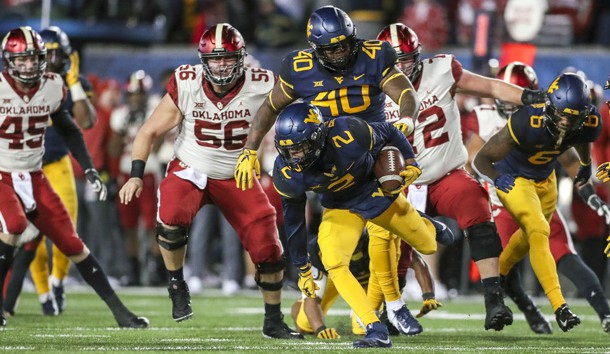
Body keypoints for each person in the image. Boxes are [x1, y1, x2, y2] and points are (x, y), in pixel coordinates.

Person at [233, 5, 427, 335]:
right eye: (329, 48)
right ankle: (357, 297)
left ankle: (394, 305)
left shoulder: (375, 54)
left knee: (384, 228)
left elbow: (405, 92)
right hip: (327, 155)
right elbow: (270, 107)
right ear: (315, 49)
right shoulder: (299, 67)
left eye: (342, 44)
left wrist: (407, 121)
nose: (338, 53)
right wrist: (250, 148)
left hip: (374, 146)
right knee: (333, 240)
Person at [117, 23, 302, 339]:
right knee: (171, 215)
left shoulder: (262, 83)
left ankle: (273, 320)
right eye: (214, 59)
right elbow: (148, 131)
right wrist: (136, 175)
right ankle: (176, 283)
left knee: (268, 247)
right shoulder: (187, 82)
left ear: (241, 57)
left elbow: (301, 109)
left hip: (237, 173)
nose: (221, 65)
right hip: (192, 168)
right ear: (204, 60)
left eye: (227, 58)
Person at [376, 23, 546, 330]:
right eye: (395, 60)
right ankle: (390, 309)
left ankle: (493, 299)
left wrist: (532, 98)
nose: (402, 66)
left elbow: (492, 87)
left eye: (407, 58)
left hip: (444, 176)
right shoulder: (369, 87)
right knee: (392, 246)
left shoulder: (441, 70)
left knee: (475, 200)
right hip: (400, 183)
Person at [0, 26, 148, 328]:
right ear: (8, 61)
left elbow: (68, 126)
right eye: (23, 59)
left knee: (72, 243)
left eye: (34, 58)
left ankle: (121, 313)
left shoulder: (53, 84)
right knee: (14, 226)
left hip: (35, 174)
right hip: (2, 174)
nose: (29, 65)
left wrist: (90, 167)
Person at [273, 102, 440, 348]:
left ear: (318, 137)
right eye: (288, 151)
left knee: (428, 245)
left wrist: (412, 161)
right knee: (333, 261)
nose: (294, 157)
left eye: (301, 148)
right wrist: (303, 268)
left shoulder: (348, 132)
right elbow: (294, 220)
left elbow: (391, 131)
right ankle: (375, 328)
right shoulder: (286, 171)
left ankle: (425, 220)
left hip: (374, 193)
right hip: (339, 206)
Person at [465, 62, 610, 334]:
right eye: (506, 96)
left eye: (573, 117)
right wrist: (495, 180)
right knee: (538, 230)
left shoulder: (588, 120)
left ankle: (501, 280)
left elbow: (572, 146)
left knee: (541, 244)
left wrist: (587, 165)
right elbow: (479, 158)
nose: (566, 122)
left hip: (545, 184)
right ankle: (558, 307)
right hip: (512, 184)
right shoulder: (525, 119)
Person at [3, 25, 98, 316]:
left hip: (54, 164)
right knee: (26, 237)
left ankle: (57, 282)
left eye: (55, 53)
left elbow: (86, 123)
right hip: (12, 168)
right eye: (48, 52)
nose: (49, 59)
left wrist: (75, 83)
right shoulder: (10, 84)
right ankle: (42, 295)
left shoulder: (62, 82)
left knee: (66, 230)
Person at [290, 231, 441, 339]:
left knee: (362, 328)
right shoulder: (318, 250)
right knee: (305, 324)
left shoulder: (377, 240)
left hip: (366, 281)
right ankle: (299, 303)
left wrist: (428, 295)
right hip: (333, 278)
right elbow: (312, 298)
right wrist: (320, 330)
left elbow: (416, 261)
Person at [109, 70, 163, 286]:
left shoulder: (156, 111)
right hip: (125, 173)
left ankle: (156, 269)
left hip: (148, 171)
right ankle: (133, 270)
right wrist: (122, 129)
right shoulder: (121, 115)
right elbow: (113, 150)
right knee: (129, 224)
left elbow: (157, 146)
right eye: (132, 95)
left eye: (139, 95)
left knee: (152, 224)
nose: (135, 99)